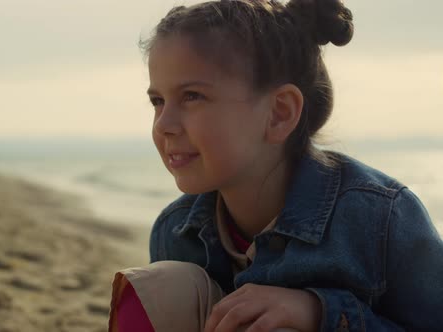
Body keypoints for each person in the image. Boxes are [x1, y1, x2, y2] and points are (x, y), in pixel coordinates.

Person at [109, 0, 443, 331]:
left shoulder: (381, 220)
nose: (164, 124)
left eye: (192, 96)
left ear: (279, 113)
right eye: (158, 101)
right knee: (164, 286)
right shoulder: (176, 229)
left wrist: (318, 312)